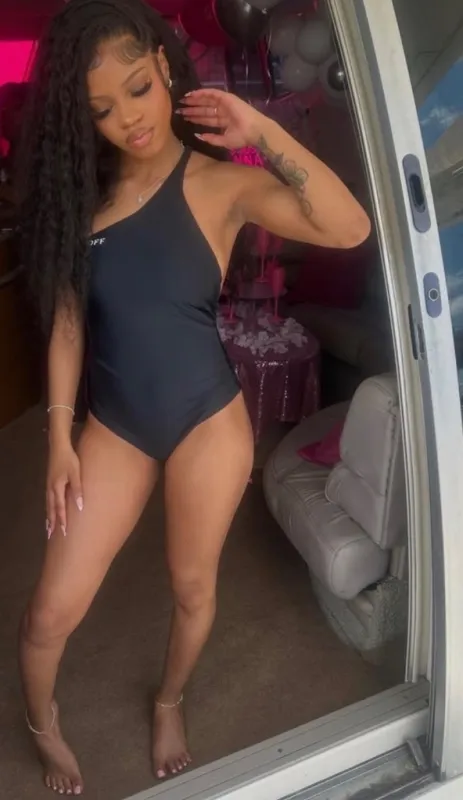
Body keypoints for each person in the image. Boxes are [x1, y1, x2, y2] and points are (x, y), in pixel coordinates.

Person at [17, 0, 371, 795]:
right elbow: (68, 323)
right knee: (47, 614)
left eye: (137, 88)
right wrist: (60, 438)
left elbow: (348, 229)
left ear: (163, 65)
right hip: (115, 425)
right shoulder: (85, 203)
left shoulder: (218, 183)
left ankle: (169, 700)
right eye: (100, 109)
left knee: (191, 587)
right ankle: (42, 725)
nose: (127, 118)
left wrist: (263, 132)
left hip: (204, 419)